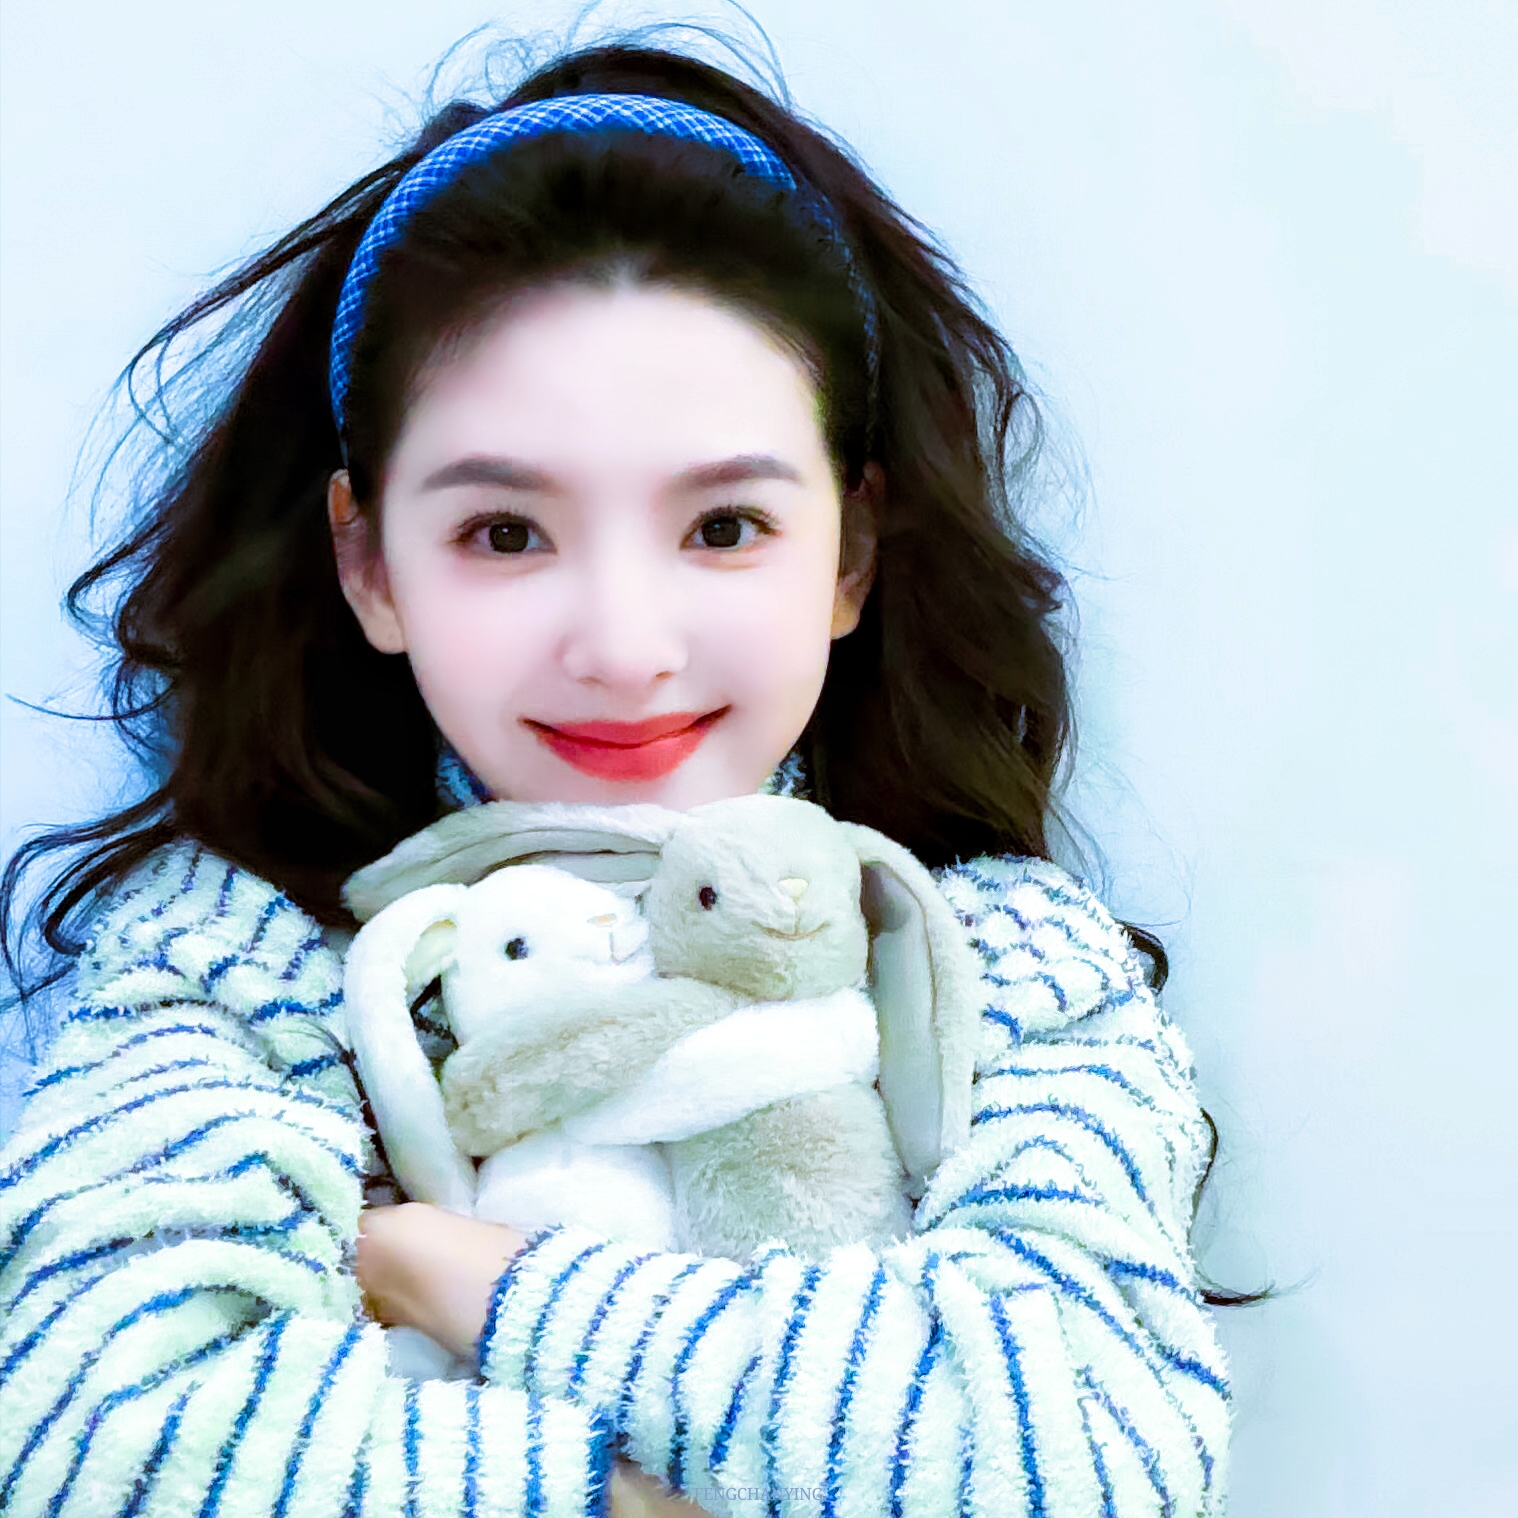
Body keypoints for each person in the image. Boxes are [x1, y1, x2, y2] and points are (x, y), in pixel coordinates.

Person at [0, 39, 1231, 1518]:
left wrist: (457, 1274)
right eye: (505, 534)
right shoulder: (230, 961)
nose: (625, 649)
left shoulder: (1006, 960)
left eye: (723, 528)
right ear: (369, 564)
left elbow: (1081, 1463)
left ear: (848, 552)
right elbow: (96, 1445)